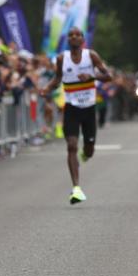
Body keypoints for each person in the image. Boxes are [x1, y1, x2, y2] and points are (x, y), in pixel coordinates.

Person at [41, 27, 112, 204]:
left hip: (89, 108)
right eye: (71, 35)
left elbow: (108, 76)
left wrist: (91, 76)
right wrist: (47, 88)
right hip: (71, 108)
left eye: (77, 35)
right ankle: (77, 189)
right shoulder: (61, 59)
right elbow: (57, 79)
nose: (74, 37)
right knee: (71, 145)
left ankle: (86, 153)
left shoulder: (91, 56)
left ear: (82, 39)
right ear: (68, 40)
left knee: (89, 149)